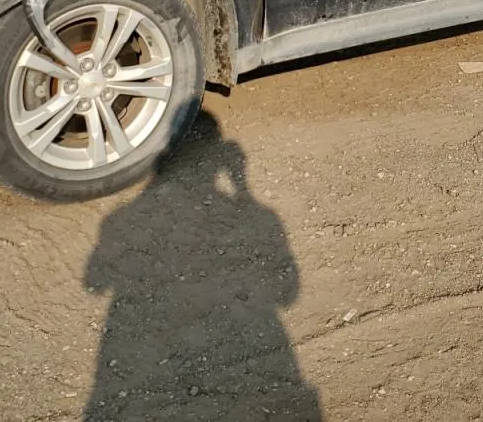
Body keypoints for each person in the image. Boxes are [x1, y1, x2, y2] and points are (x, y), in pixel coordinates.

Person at [83, 112, 321, 421]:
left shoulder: (121, 220)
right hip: (241, 354)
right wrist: (243, 191)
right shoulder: (256, 217)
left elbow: (94, 281)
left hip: (147, 360)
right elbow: (287, 294)